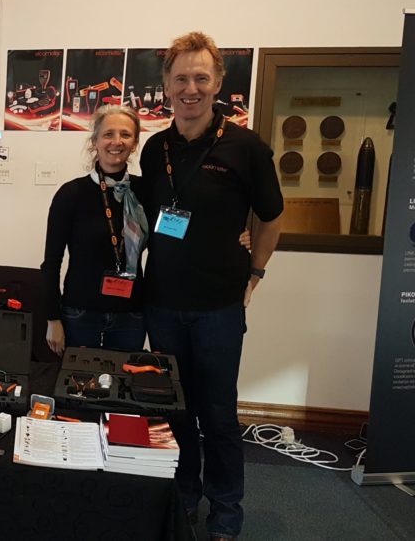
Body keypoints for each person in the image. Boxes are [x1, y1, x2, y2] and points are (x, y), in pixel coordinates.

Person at [140, 32, 283, 541]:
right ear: (166, 85)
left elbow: (271, 217)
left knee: (218, 415)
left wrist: (255, 272)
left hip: (219, 306)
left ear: (218, 82)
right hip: (162, 304)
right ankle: (184, 494)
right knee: (175, 410)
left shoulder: (246, 147)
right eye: (181, 78)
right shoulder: (154, 149)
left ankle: (226, 511)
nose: (191, 88)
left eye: (201, 78)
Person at [42, 105, 151, 354]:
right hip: (80, 313)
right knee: (77, 380)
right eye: (108, 134)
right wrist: (52, 319)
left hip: (131, 316)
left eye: (125, 134)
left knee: (123, 379)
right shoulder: (71, 194)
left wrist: (236, 231)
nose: (116, 141)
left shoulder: (145, 191)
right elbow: (51, 262)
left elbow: (173, 233)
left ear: (134, 143)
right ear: (95, 141)